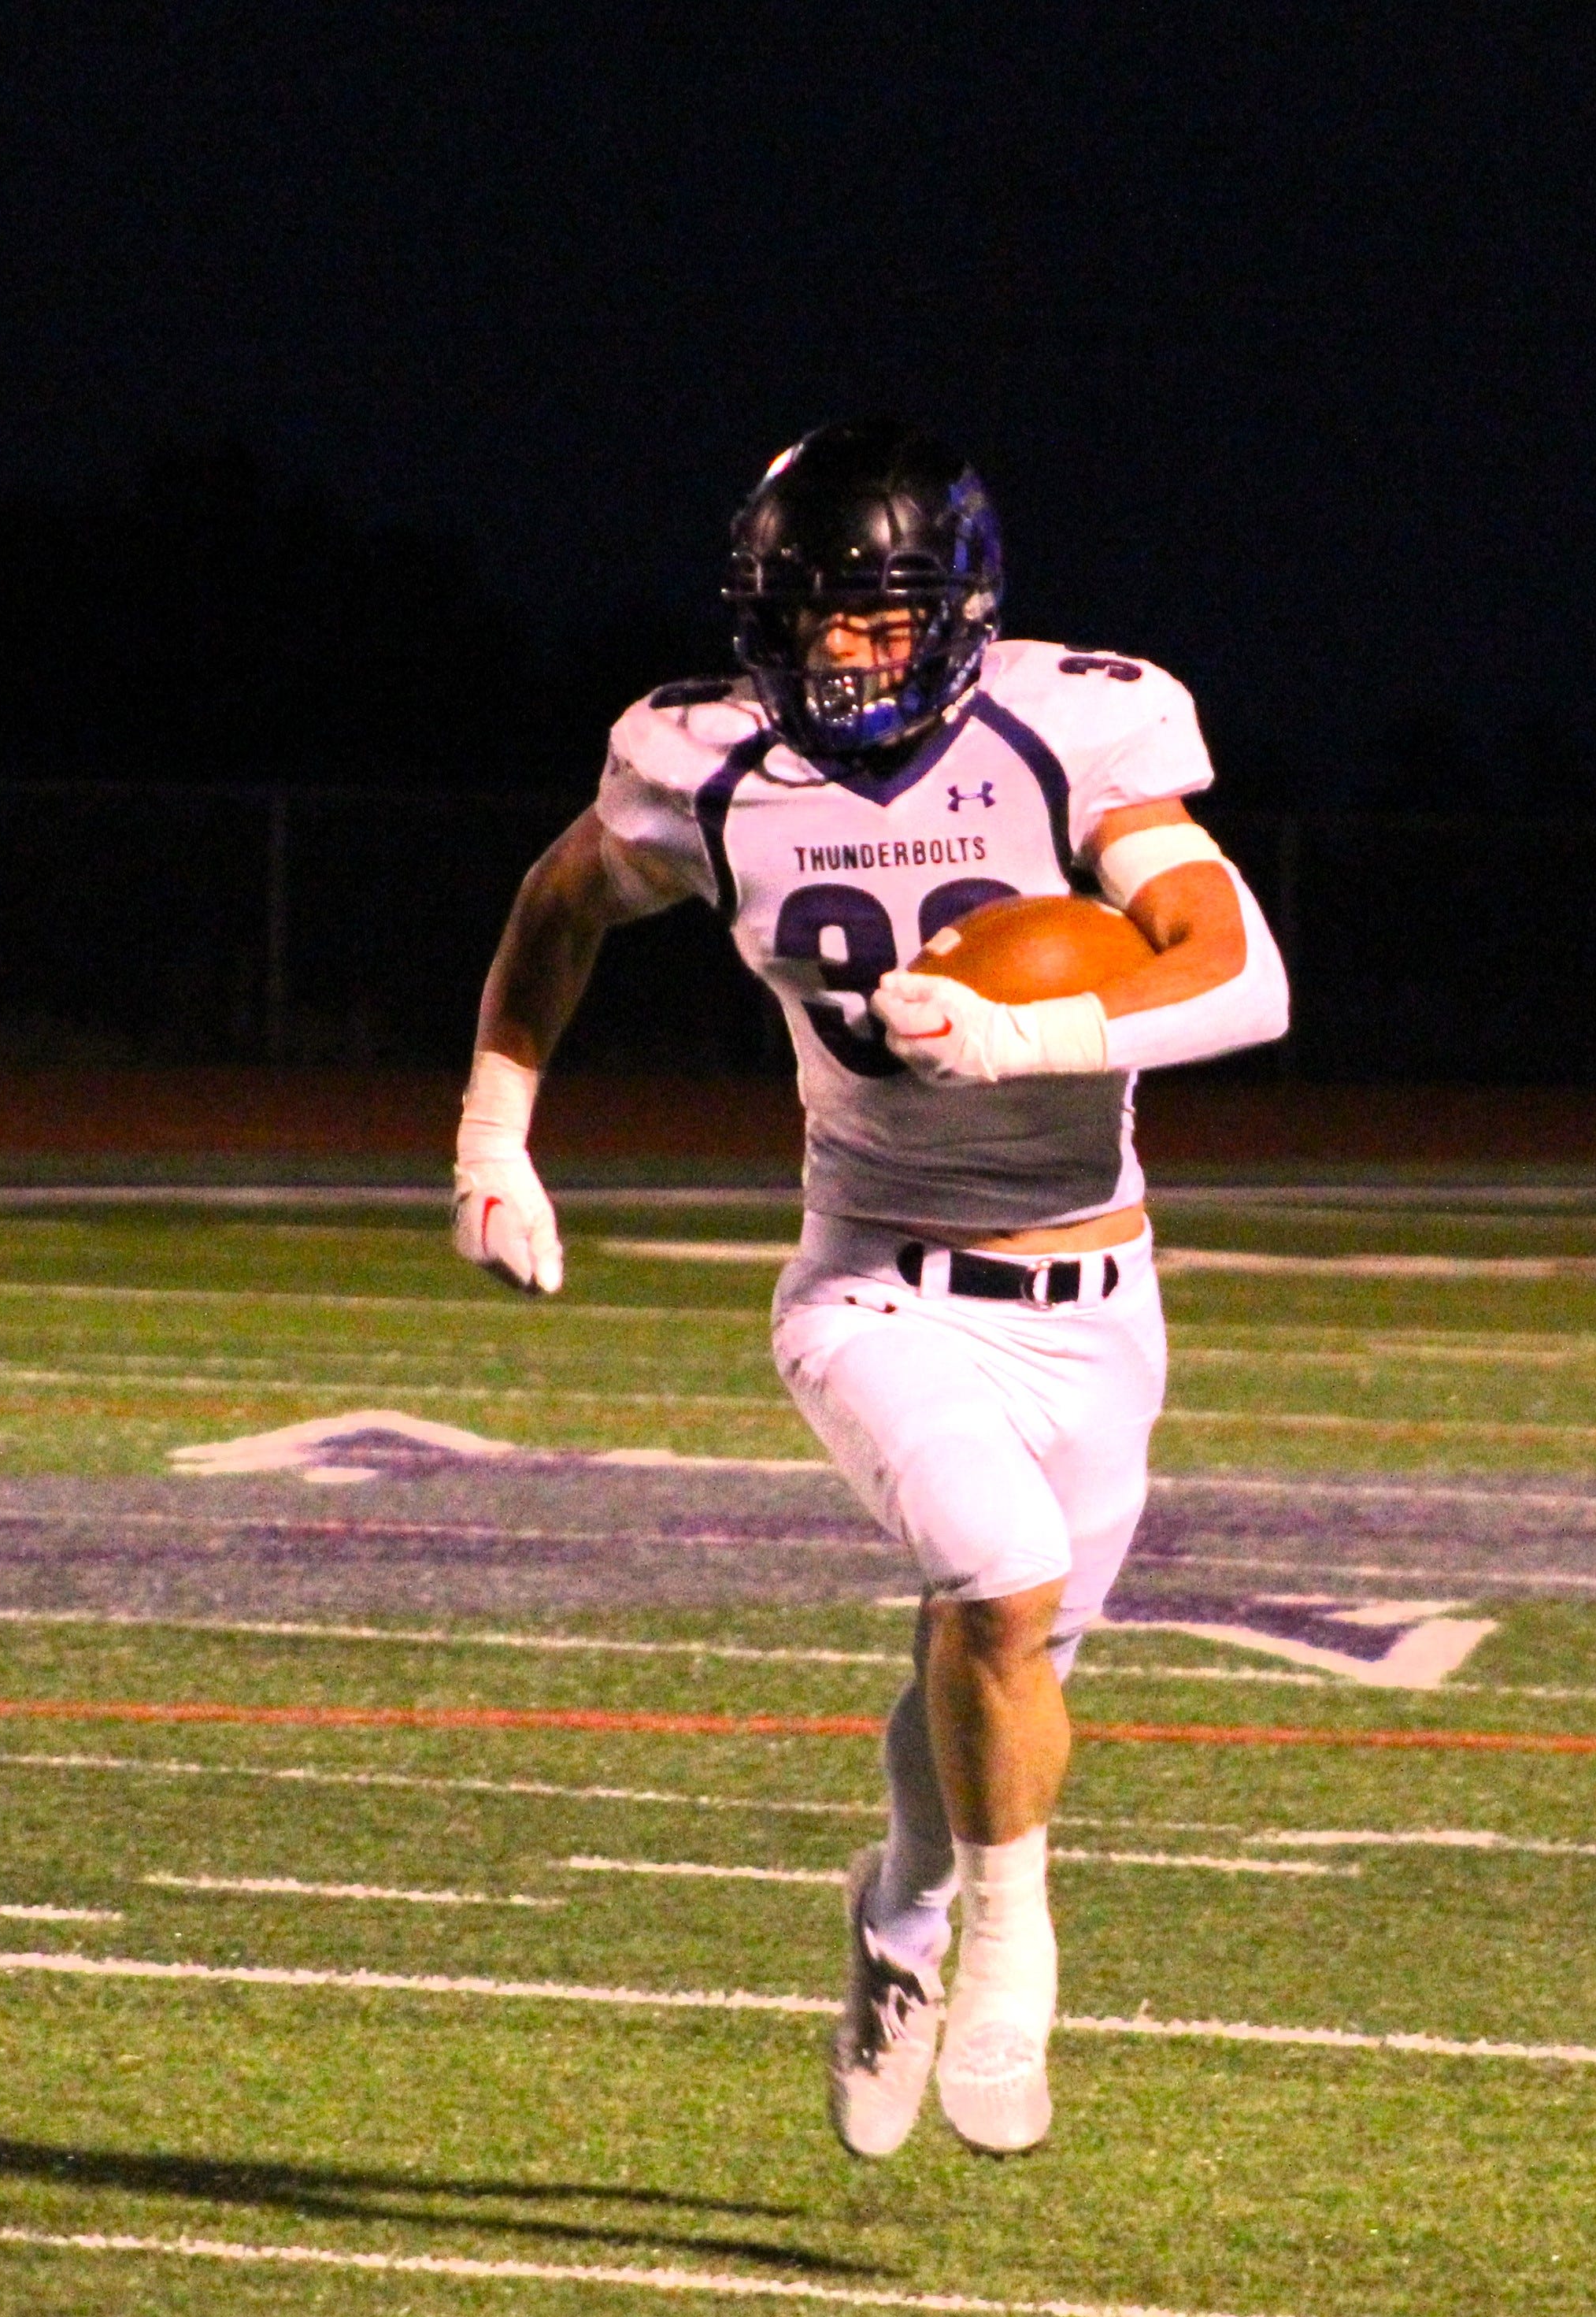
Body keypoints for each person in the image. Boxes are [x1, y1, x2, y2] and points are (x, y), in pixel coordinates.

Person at [453, 421, 1289, 2157]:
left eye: (876, 612)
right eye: (808, 614)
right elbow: (559, 902)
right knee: (993, 1579)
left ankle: (898, 1908)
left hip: (1096, 1301)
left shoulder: (1074, 730)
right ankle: (1005, 1948)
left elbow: (1241, 975)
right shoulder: (703, 760)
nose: (842, 649)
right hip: (870, 1285)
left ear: (958, 604)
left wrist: (1020, 1028)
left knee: (1008, 1658)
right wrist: (493, 1131)